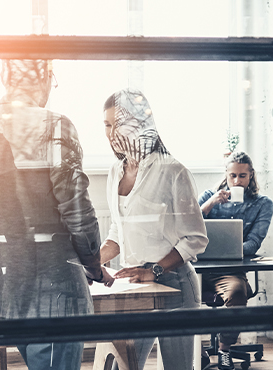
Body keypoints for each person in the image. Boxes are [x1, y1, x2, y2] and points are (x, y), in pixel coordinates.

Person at [0, 59, 113, 370]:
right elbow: (77, 210)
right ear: (45, 79)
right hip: (51, 291)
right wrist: (93, 264)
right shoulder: (54, 126)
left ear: (4, 78)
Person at [99, 88, 208, 370]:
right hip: (135, 288)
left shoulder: (172, 170)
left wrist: (155, 269)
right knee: (124, 365)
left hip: (173, 285)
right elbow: (116, 233)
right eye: (107, 125)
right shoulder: (115, 172)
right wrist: (88, 262)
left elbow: (195, 238)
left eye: (117, 124)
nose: (111, 133)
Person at [196, 151, 273, 367]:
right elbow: (187, 225)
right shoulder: (208, 196)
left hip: (230, 270)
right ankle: (196, 351)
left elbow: (254, 243)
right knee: (177, 295)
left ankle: (224, 349)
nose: (237, 181)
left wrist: (229, 250)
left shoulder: (262, 204)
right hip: (197, 269)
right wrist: (211, 203)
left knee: (237, 293)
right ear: (226, 175)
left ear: (251, 176)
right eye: (232, 176)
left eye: (242, 176)